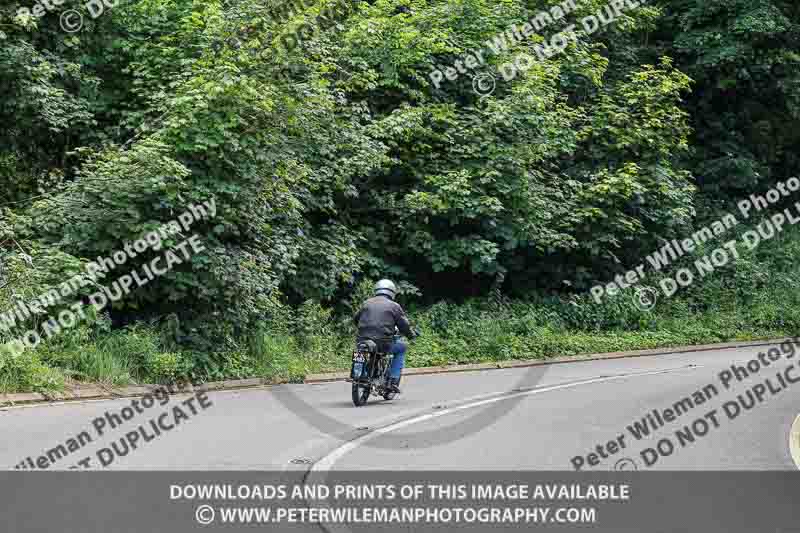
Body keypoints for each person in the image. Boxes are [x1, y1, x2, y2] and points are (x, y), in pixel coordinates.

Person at [354, 279, 417, 393]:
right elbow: (404, 325)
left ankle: (363, 374)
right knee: (402, 347)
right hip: (383, 343)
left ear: (377, 290)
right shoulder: (394, 306)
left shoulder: (366, 303)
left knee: (362, 351)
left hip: (362, 341)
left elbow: (356, 319)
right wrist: (411, 335)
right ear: (391, 292)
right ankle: (393, 380)